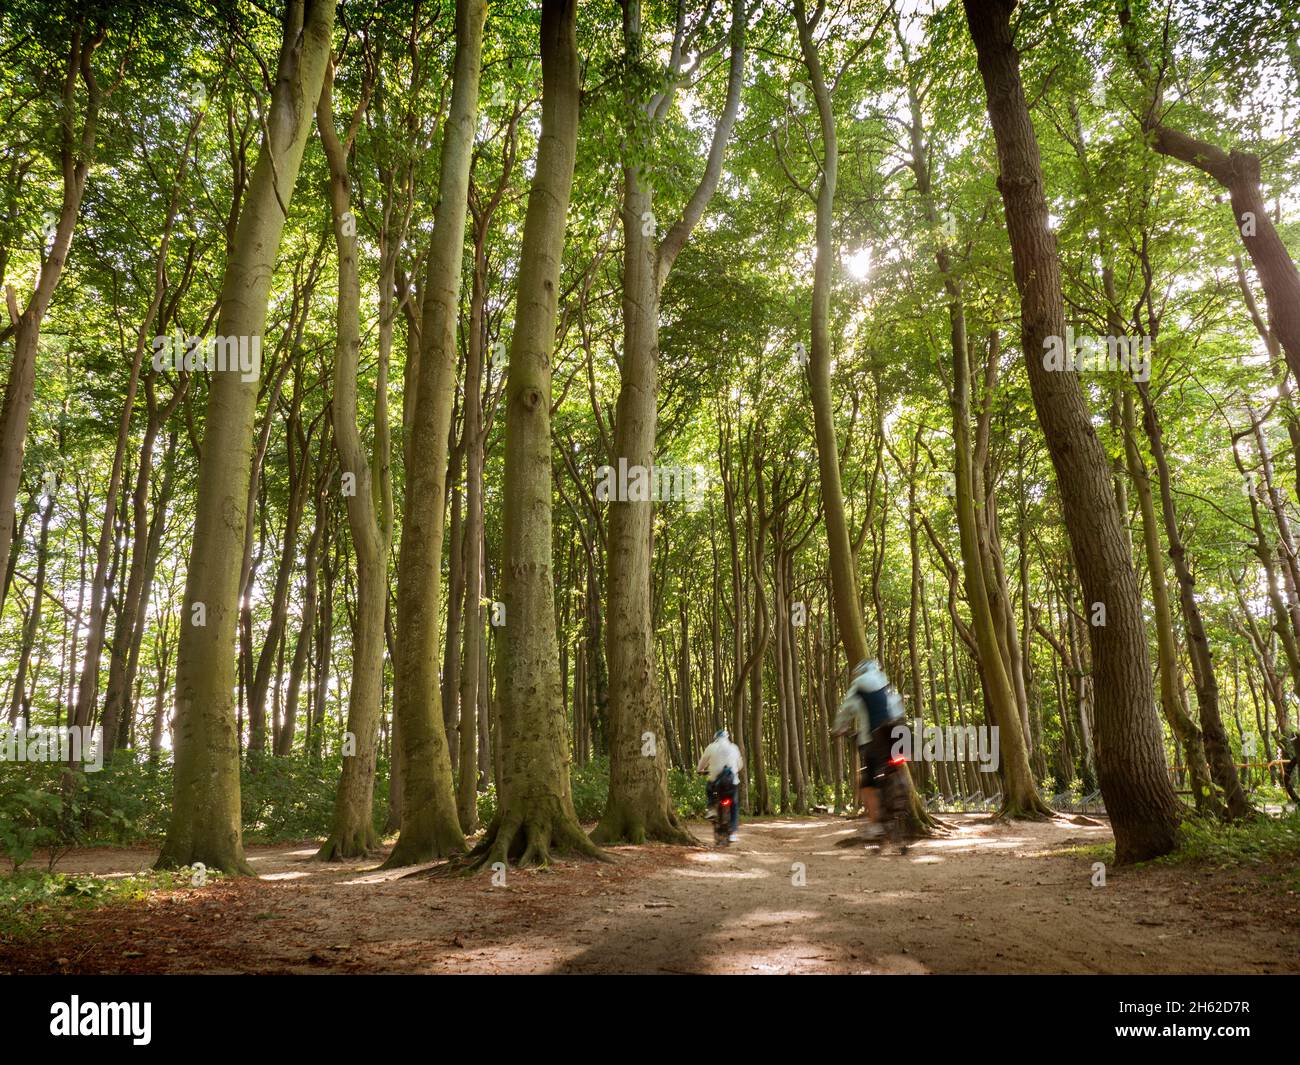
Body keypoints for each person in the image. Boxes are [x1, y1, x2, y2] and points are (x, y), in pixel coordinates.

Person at [832, 659, 904, 838]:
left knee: (866, 783)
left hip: (872, 737)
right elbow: (897, 706)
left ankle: (875, 827)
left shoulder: (858, 685)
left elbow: (846, 710)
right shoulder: (886, 683)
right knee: (895, 764)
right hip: (898, 732)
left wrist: (838, 728)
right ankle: (900, 788)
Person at [697, 728, 743, 841]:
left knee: (709, 788)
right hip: (731, 782)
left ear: (715, 738)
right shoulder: (734, 748)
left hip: (716, 782)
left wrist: (700, 770)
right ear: (727, 738)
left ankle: (712, 808)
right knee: (734, 805)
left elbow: (702, 763)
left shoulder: (711, 747)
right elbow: (740, 765)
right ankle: (732, 833)